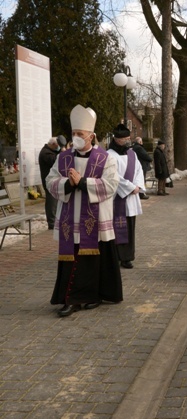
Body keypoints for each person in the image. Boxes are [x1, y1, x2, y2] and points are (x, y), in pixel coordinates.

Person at [45, 105, 122, 317]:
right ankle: (71, 298)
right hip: (70, 217)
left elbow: (110, 185)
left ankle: (92, 296)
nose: (76, 137)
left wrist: (82, 183)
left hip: (95, 218)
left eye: (81, 134)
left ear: (91, 136)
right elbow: (50, 181)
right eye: (74, 134)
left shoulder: (105, 158)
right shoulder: (62, 158)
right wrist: (68, 185)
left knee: (92, 260)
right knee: (73, 257)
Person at [107, 124, 145, 270]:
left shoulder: (132, 153)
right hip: (117, 198)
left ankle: (127, 257)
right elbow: (112, 176)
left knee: (130, 228)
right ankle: (115, 256)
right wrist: (130, 188)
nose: (128, 141)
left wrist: (138, 186)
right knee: (115, 228)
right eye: (125, 139)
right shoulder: (109, 155)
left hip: (131, 198)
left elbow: (139, 170)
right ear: (117, 139)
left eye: (129, 138)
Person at [38, 137, 61, 229]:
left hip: (54, 180)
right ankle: (51, 223)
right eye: (58, 145)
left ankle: (55, 221)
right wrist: (62, 151)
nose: (58, 147)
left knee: (55, 202)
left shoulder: (50, 151)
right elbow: (55, 161)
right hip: (48, 182)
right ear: (53, 144)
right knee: (51, 202)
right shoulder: (45, 153)